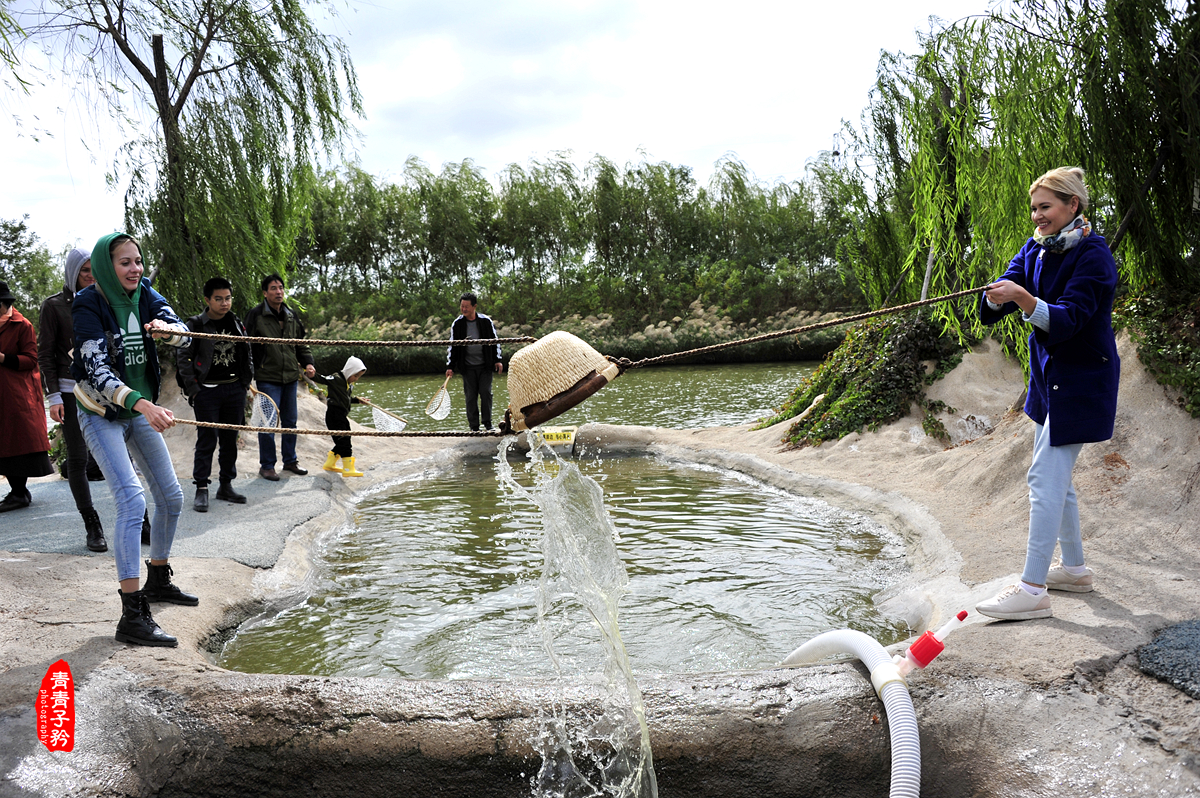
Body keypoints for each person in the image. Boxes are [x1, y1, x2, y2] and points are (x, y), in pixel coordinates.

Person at [975, 166, 1120, 621]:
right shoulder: (1034, 249)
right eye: (1034, 209)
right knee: (1059, 482)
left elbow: (1068, 321)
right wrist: (996, 296)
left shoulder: (1095, 255)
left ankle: (1033, 589)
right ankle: (1074, 570)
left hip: (1081, 384)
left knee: (1043, 479)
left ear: (1072, 206)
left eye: (1046, 207)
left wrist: (1020, 298)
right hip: (1047, 384)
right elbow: (991, 309)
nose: (1037, 217)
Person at [72, 232, 195, 647]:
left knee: (171, 497)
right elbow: (97, 371)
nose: (135, 269)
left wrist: (167, 330)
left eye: (138, 261)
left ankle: (158, 579)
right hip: (103, 412)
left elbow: (185, 334)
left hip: (138, 407)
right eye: (125, 263)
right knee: (132, 500)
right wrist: (145, 406)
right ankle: (131, 614)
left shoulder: (145, 294)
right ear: (108, 267)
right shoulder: (88, 302)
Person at [37, 250, 108, 550]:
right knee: (78, 459)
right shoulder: (53, 306)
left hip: (105, 389)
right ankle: (92, 525)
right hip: (69, 392)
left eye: (95, 270)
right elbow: (45, 354)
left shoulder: (103, 299)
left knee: (125, 456)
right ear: (72, 272)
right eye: (85, 271)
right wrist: (54, 396)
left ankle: (140, 518)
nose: (91, 276)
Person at [177, 277, 254, 512]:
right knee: (207, 440)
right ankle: (201, 488)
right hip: (207, 392)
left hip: (234, 390)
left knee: (230, 440)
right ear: (207, 300)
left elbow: (246, 351)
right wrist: (195, 390)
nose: (224, 303)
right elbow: (183, 357)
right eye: (218, 299)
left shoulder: (236, 323)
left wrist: (244, 382)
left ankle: (226, 485)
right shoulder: (196, 325)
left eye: (228, 298)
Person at [243, 273, 315, 480]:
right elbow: (244, 345)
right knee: (268, 422)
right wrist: (248, 374)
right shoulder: (256, 315)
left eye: (281, 288)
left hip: (290, 377)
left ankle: (290, 461)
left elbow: (301, 344)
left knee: (290, 422)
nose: (278, 292)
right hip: (267, 376)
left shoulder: (291, 315)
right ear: (265, 293)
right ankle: (267, 466)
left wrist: (309, 363)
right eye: (273, 288)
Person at [0, 281, 55, 512]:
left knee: (18, 442)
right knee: (4, 441)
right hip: (3, 393)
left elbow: (31, 359)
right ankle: (18, 493)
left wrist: (2, 358)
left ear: (3, 304)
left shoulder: (22, 325)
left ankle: (19, 493)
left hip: (17, 393)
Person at [445, 292, 504, 431]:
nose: (464, 309)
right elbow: (453, 346)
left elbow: (495, 342)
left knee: (486, 393)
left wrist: (498, 360)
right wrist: (450, 366)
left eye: (467, 306)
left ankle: (488, 424)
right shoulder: (458, 324)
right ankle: (474, 427)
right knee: (470, 397)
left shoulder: (485, 321)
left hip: (485, 365)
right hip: (467, 367)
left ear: (474, 306)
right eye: (462, 306)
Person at [313, 355, 367, 477]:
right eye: (355, 375)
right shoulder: (336, 378)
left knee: (341, 440)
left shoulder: (348, 384)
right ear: (349, 371)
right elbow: (323, 379)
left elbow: (345, 399)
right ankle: (348, 469)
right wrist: (311, 374)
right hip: (334, 415)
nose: (356, 379)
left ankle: (329, 464)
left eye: (358, 377)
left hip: (341, 415)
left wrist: (357, 400)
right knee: (345, 440)